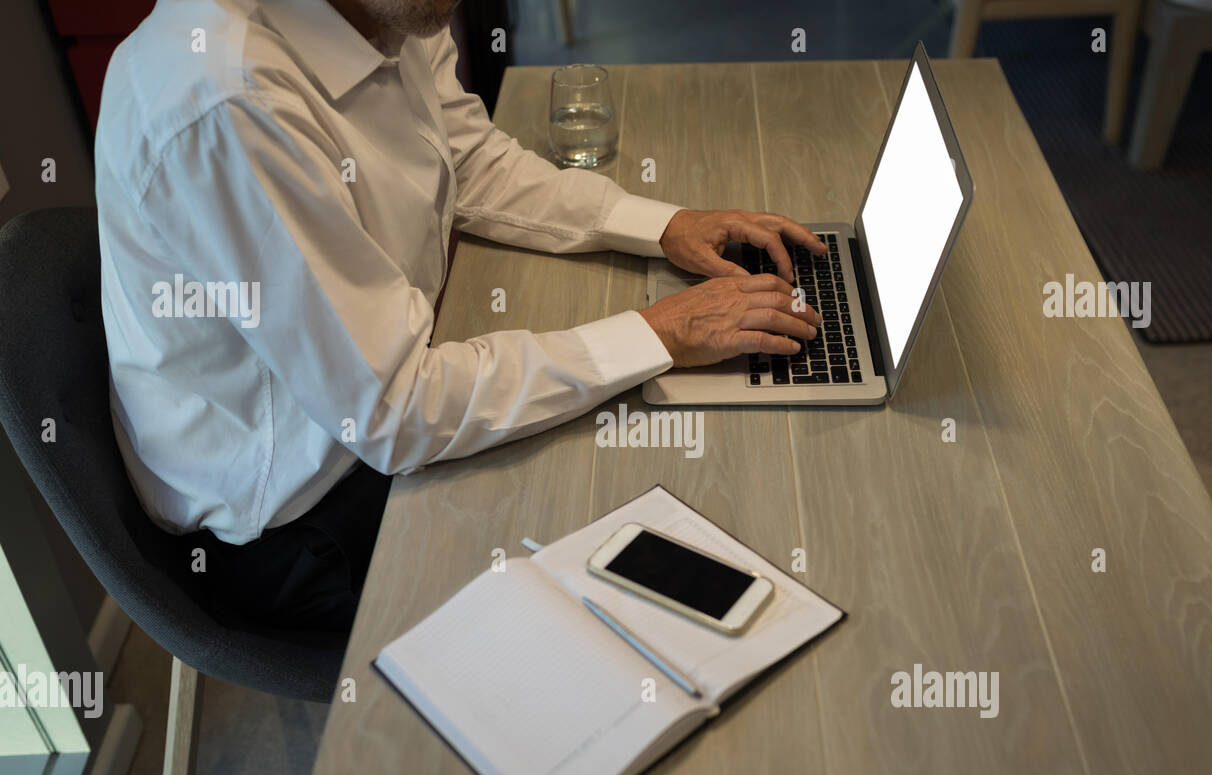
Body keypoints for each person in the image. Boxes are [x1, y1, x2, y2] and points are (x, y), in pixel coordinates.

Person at [95, 0, 824, 634]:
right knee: (635, 586)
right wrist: (658, 331)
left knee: (694, 465)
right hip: (303, 524)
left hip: (376, 403)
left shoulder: (385, 9)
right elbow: (397, 411)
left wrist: (660, 225)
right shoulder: (226, 102)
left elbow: (467, 161)